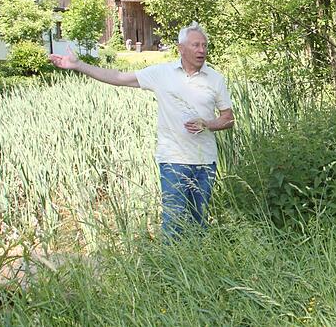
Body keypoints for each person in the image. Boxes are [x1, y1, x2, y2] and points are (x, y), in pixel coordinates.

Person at [49, 22, 235, 238]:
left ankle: (199, 270)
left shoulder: (215, 79)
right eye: (196, 45)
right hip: (173, 160)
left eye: (204, 45)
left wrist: (207, 123)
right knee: (173, 224)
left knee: (199, 224)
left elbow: (228, 119)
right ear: (180, 48)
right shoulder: (161, 73)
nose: (202, 50)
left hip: (205, 163)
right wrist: (79, 65)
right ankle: (171, 268)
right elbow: (119, 78)